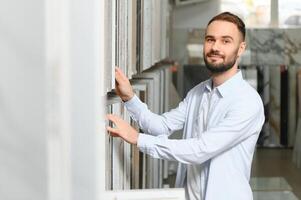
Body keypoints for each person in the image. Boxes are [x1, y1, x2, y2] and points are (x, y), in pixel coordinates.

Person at [106, 12, 264, 200]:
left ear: (240, 48)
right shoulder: (198, 93)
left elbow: (200, 150)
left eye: (226, 41)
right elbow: (161, 126)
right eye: (210, 39)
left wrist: (137, 139)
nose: (215, 47)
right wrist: (129, 97)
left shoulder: (247, 102)